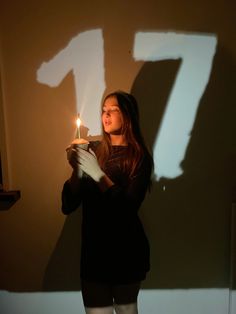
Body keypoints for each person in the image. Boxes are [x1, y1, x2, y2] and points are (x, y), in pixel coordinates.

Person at [61, 91, 154, 314]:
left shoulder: (139, 158)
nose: (106, 114)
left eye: (113, 110)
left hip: (127, 254)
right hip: (94, 255)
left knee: (126, 310)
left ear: (128, 116)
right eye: (104, 110)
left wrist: (98, 174)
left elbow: (127, 209)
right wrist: (78, 170)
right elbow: (68, 204)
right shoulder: (93, 150)